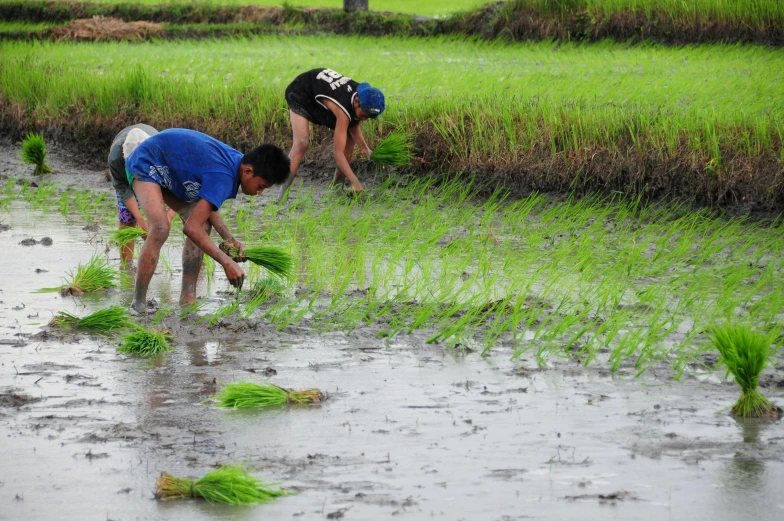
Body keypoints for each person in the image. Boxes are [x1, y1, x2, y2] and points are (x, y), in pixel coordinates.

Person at [124, 128, 290, 314]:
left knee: (203, 224)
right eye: (261, 186)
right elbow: (191, 228)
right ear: (248, 171)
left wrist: (229, 238)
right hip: (147, 161)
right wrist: (227, 262)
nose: (259, 192)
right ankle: (138, 304)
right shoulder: (225, 176)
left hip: (172, 171)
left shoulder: (236, 165)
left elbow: (204, 209)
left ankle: (187, 300)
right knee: (161, 228)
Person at [279, 68, 385, 201]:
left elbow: (355, 122)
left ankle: (337, 190)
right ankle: (281, 196)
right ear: (357, 102)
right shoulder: (343, 109)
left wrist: (366, 149)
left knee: (349, 140)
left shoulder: (362, 96)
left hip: (322, 92)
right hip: (301, 92)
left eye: (369, 117)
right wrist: (355, 182)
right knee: (302, 142)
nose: (365, 119)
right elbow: (338, 154)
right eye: (364, 114)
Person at [107, 123, 176, 268]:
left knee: (158, 219)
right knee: (127, 219)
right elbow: (122, 187)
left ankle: (153, 263)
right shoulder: (116, 158)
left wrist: (168, 216)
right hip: (126, 176)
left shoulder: (164, 154)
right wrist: (139, 219)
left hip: (155, 173)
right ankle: (127, 267)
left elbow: (179, 187)